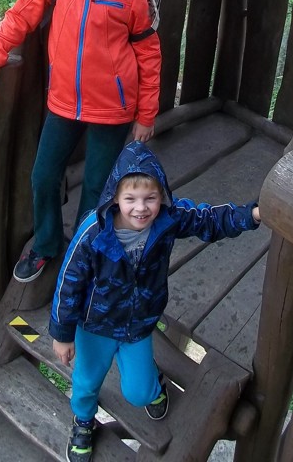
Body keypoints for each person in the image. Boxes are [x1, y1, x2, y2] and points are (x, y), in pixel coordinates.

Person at [0, 0, 162, 282]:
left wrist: (146, 115)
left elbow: (149, 54)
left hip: (114, 109)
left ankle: (82, 254)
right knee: (43, 176)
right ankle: (47, 244)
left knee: (97, 187)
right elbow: (18, 16)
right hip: (64, 102)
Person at [49, 139, 261, 461]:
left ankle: (153, 384)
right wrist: (62, 334)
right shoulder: (94, 232)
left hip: (138, 323)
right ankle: (83, 421)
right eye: (130, 199)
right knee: (86, 381)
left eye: (150, 198)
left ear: (161, 196)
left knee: (138, 392)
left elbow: (209, 219)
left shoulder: (167, 219)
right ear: (114, 197)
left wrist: (252, 214)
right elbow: (69, 283)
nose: (141, 208)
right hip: (95, 325)